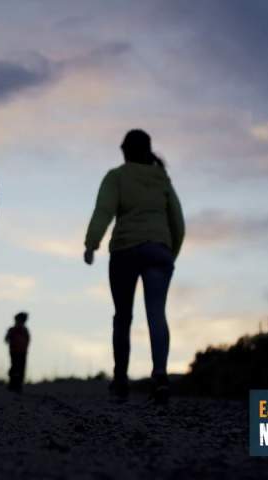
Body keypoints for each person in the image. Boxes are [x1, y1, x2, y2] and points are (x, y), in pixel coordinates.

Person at [83, 129, 185, 404]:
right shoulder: (162, 179)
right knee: (156, 314)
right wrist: (168, 254)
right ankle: (160, 377)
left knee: (123, 317)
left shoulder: (116, 176)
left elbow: (103, 210)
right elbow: (178, 222)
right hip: (159, 250)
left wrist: (92, 244)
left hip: (125, 250)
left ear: (125, 151)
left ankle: (120, 382)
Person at [5, 312, 30, 393]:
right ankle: (13, 384)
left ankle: (18, 385)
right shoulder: (12, 330)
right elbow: (6, 339)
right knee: (15, 368)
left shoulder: (25, 330)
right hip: (14, 352)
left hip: (23, 352)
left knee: (21, 369)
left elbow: (28, 340)